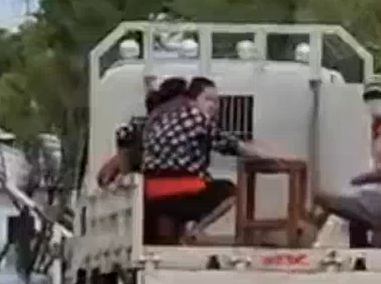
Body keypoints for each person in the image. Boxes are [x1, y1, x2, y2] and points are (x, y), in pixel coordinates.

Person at [97, 75, 265, 245]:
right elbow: (229, 144)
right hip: (179, 187)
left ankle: (181, 235)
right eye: (208, 100)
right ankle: (196, 230)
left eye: (216, 101)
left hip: (151, 190)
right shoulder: (193, 116)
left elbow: (111, 169)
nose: (214, 106)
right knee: (230, 191)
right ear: (189, 98)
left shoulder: (153, 120)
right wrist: (262, 155)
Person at [313, 74, 381, 248]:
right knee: (348, 209)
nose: (375, 101)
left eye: (380, 96)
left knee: (322, 197)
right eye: (370, 97)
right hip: (378, 195)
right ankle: (366, 246)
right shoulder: (380, 128)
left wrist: (362, 179)